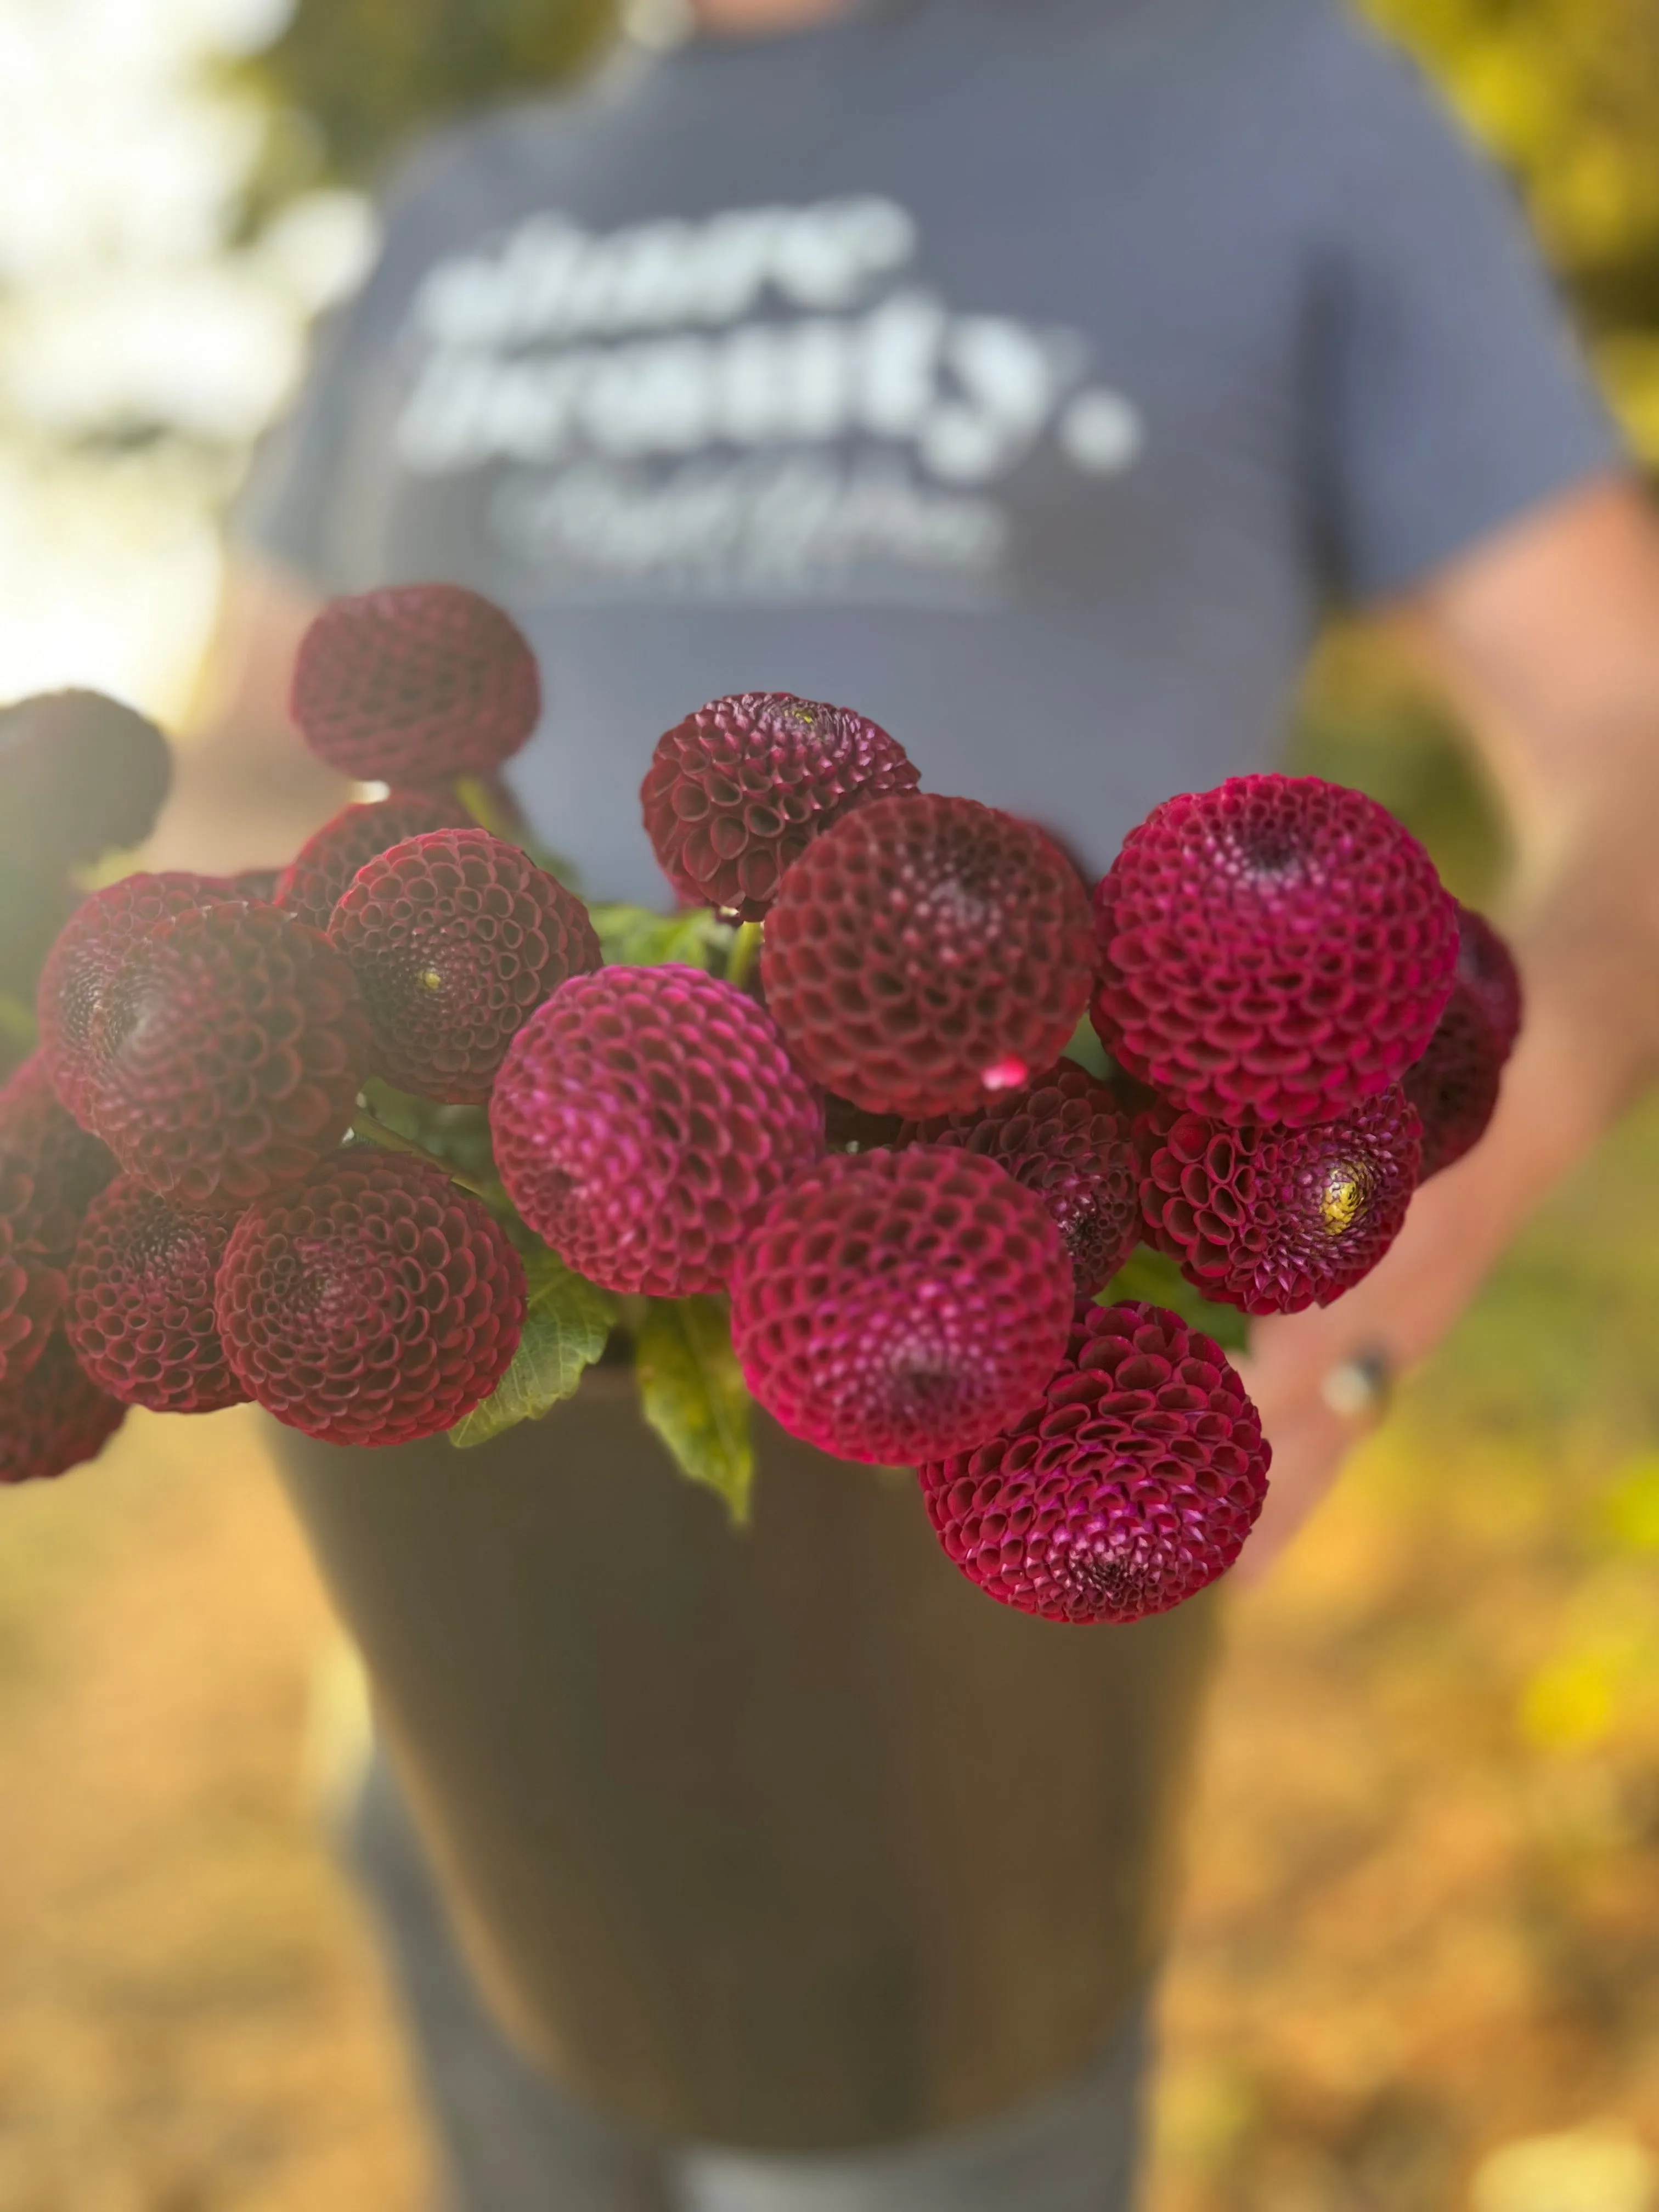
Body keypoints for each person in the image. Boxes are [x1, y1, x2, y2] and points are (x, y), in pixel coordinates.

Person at [152, 0, 1659, 2202]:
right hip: (460, 1571)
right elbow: (258, 755)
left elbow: (1625, 729)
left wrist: (1404, 1232)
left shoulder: (1274, 101)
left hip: (942, 1607)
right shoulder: (456, 214)